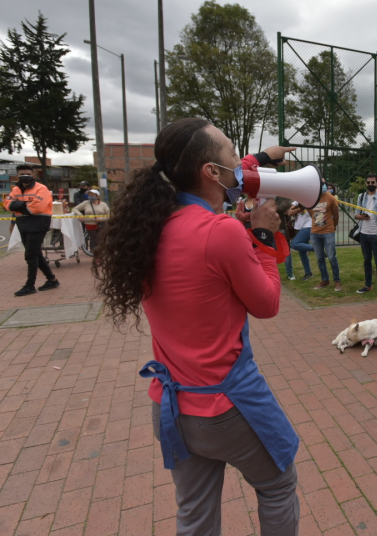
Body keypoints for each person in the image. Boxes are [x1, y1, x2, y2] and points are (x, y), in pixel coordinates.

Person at [92, 118, 300, 534]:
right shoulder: (220, 230)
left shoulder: (150, 224)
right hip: (228, 404)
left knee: (195, 511)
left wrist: (264, 158)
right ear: (210, 172)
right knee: (278, 487)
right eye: (230, 153)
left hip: (171, 404)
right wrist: (261, 233)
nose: (239, 163)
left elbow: (226, 169)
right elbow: (267, 304)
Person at [4, 165, 59, 296]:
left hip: (38, 224)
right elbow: (7, 204)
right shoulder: (16, 189)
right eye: (22, 174)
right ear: (17, 175)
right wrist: (24, 205)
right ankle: (52, 280)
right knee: (36, 254)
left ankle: (30, 285)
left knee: (30, 255)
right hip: (23, 224)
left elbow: (38, 207)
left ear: (33, 175)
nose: (25, 176)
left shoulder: (41, 188)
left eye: (28, 173)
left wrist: (18, 206)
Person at [355, 173, 377, 297]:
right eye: (368, 182)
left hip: (376, 234)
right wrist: (363, 216)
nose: (370, 184)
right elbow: (356, 215)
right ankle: (367, 285)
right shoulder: (361, 197)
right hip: (364, 233)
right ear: (366, 183)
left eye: (373, 182)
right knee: (366, 260)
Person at [310, 179, 341, 291]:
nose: (323, 186)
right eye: (321, 184)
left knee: (332, 257)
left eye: (324, 184)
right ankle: (325, 280)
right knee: (319, 258)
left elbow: (336, 215)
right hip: (315, 232)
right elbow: (311, 213)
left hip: (328, 231)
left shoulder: (331, 198)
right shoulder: (311, 198)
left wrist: (333, 226)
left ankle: (337, 281)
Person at [72, 188, 110, 252]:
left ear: (97, 196)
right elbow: (74, 209)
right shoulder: (86, 203)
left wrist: (101, 219)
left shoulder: (103, 205)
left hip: (101, 225)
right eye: (89, 195)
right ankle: (96, 254)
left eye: (92, 195)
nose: (90, 197)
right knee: (95, 241)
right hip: (90, 225)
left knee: (101, 240)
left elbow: (108, 216)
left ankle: (100, 253)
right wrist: (80, 214)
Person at [287, 202, 314, 281]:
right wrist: (299, 208)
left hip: (308, 226)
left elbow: (314, 214)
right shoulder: (296, 202)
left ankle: (316, 248)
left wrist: (306, 207)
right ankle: (308, 272)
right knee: (302, 252)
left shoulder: (311, 200)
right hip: (299, 227)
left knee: (295, 244)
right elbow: (290, 212)